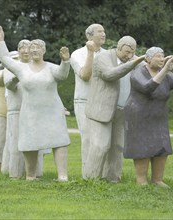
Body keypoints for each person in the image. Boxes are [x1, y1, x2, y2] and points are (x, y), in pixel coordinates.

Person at [0, 25, 71, 181]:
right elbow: (4, 59)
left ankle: (62, 175)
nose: (34, 50)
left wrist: (65, 61)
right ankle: (31, 175)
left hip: (52, 110)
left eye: (38, 48)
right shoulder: (22, 68)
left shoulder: (50, 67)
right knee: (30, 141)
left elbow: (63, 75)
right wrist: (0, 41)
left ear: (44, 51)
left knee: (59, 140)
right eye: (32, 48)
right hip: (30, 111)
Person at [123, 47, 173, 187]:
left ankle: (158, 179)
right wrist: (165, 69)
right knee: (142, 147)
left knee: (162, 145)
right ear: (148, 58)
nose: (162, 59)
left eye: (163, 56)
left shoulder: (163, 72)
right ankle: (141, 180)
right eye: (158, 56)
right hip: (139, 116)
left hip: (158, 116)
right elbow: (148, 87)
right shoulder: (138, 72)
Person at [84, 36, 145, 182]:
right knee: (100, 145)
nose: (129, 56)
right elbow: (110, 75)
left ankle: (112, 178)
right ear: (118, 47)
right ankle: (90, 179)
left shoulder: (134, 60)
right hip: (101, 110)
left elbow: (148, 72)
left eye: (132, 53)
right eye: (126, 52)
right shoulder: (103, 57)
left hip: (122, 110)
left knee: (118, 146)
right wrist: (133, 63)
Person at [70, 23, 106, 177]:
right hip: (84, 100)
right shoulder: (77, 54)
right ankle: (88, 176)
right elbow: (85, 75)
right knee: (88, 138)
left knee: (103, 140)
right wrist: (91, 53)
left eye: (104, 31)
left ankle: (103, 174)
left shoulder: (108, 54)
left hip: (104, 101)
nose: (103, 34)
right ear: (89, 36)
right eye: (99, 31)